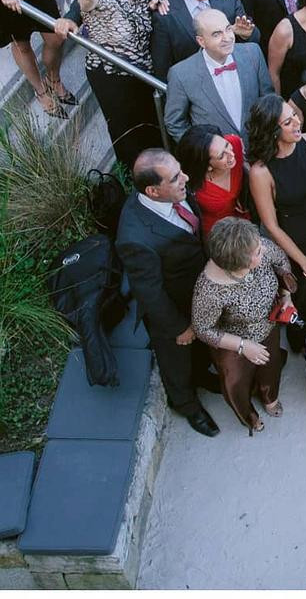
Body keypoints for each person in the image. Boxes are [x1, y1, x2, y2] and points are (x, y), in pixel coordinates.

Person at [116, 149, 219, 437]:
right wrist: (179, 327)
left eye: (180, 170)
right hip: (171, 307)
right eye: (175, 178)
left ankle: (202, 375)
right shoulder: (134, 238)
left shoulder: (174, 194)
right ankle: (186, 404)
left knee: (200, 347)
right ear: (153, 190)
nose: (185, 178)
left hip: (196, 290)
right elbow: (150, 293)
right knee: (176, 361)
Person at [246, 94, 306, 352]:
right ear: (271, 131)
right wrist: (303, 263)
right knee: (302, 302)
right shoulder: (260, 171)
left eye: (294, 115)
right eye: (287, 122)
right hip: (295, 243)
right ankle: (302, 343)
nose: (297, 123)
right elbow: (272, 225)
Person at [191, 218, 294, 435]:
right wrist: (243, 346)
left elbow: (282, 263)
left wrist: (286, 296)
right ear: (239, 262)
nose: (263, 249)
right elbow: (202, 328)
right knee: (236, 382)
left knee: (271, 364)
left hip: (268, 325)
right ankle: (249, 416)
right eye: (257, 251)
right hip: (233, 343)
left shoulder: (259, 247)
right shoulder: (209, 290)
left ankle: (270, 398)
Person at [74, 0, 163, 172]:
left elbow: (139, 16)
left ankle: (158, 174)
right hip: (111, 74)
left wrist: (152, 6)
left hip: (142, 69)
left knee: (150, 124)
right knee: (127, 131)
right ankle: (135, 180)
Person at [164, 8, 274, 143]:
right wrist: (202, 151)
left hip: (260, 148)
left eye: (228, 29)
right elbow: (175, 123)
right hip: (216, 160)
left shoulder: (253, 53)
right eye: (217, 34)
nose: (227, 38)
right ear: (201, 41)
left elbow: (269, 100)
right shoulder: (181, 74)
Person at [176, 125, 251, 238]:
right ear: (207, 166)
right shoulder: (197, 188)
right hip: (220, 233)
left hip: (246, 219)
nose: (231, 154)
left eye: (226, 145)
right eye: (221, 156)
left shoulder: (235, 143)